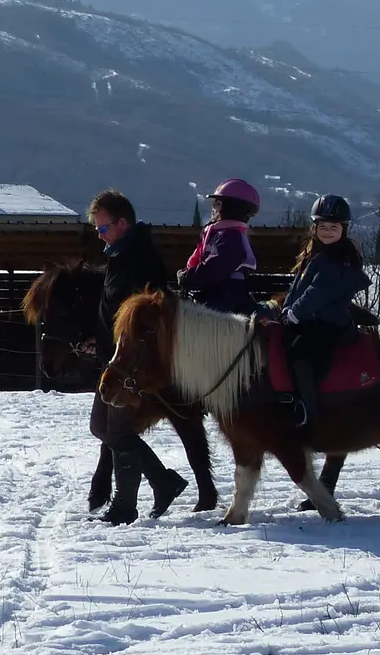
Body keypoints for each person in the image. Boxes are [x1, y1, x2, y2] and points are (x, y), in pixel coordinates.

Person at [83, 190, 216, 524]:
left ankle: (125, 506)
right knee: (102, 427)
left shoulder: (143, 259)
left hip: (134, 365)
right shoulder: (118, 255)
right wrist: (95, 340)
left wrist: (132, 354)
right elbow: (111, 312)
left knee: (115, 430)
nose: (100, 235)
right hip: (114, 359)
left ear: (122, 222)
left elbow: (148, 314)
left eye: (103, 228)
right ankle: (161, 481)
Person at [277, 194, 372, 428]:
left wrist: (294, 314)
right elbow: (298, 286)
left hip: (329, 322)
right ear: (314, 227)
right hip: (311, 318)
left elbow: (318, 293)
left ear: (344, 230)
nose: (327, 231)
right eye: (322, 226)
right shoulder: (315, 254)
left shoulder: (339, 259)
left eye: (334, 227)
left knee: (299, 351)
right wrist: (287, 307)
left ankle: (309, 409)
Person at [179, 178, 261, 315]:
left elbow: (214, 269)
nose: (214, 209)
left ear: (232, 208)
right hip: (217, 296)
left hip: (226, 302)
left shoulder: (231, 238)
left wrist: (188, 278)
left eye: (217, 204)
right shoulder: (219, 233)